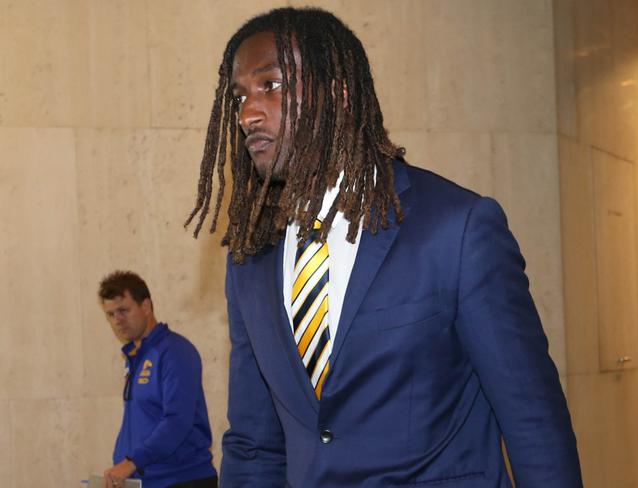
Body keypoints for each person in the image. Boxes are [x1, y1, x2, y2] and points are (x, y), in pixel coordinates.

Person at [186, 7, 582, 487]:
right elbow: (254, 442)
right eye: (240, 96)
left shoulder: (456, 229)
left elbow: (532, 420)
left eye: (271, 85)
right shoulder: (250, 256)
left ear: (340, 93)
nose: (248, 112)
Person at [98, 271, 218, 488]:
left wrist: (131, 462)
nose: (118, 320)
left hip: (182, 480)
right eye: (111, 314)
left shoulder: (175, 352)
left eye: (124, 310)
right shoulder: (135, 357)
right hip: (146, 480)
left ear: (146, 306)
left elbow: (177, 421)